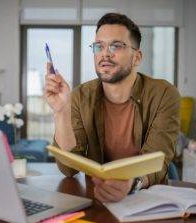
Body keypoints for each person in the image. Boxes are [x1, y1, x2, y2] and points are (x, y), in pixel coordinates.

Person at [44, 13, 180, 203]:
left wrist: (131, 184)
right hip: (98, 197)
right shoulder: (80, 96)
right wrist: (61, 112)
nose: (105, 53)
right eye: (99, 46)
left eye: (116, 46)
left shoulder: (164, 94)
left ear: (137, 57)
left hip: (147, 198)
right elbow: (69, 169)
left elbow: (158, 159)